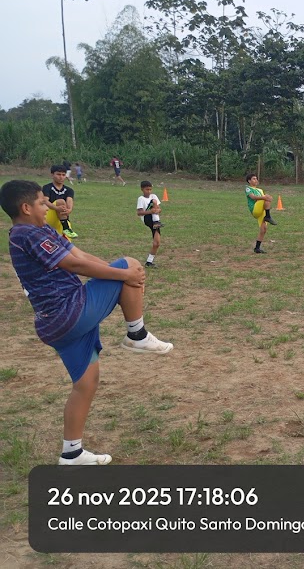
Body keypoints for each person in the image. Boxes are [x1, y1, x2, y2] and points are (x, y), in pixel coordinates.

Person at [0, 180, 174, 466]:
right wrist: (124, 275)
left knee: (86, 384)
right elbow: (75, 265)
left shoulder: (42, 230)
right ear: (26, 208)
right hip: (67, 312)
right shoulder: (26, 234)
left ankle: (71, 453)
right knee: (130, 263)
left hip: (55, 325)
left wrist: (114, 272)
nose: (48, 206)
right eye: (43, 202)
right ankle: (136, 334)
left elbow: (78, 255)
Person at [43, 164, 78, 240]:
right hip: (49, 216)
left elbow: (69, 200)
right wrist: (56, 208)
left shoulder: (69, 190)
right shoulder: (47, 188)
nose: (61, 177)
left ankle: (65, 227)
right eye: (58, 174)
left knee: (67, 244)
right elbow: (45, 201)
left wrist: (69, 210)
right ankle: (66, 228)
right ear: (52, 175)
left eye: (63, 175)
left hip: (62, 218)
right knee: (60, 201)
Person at [244, 173, 277, 254]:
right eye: (254, 179)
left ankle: (257, 248)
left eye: (256, 178)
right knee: (265, 197)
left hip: (261, 211)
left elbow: (265, 201)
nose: (256, 180)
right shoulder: (248, 188)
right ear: (249, 181)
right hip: (255, 209)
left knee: (263, 229)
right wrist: (265, 197)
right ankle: (268, 216)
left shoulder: (260, 190)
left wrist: (268, 198)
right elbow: (253, 197)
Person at [136, 181, 164, 267]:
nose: (149, 191)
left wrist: (157, 210)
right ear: (142, 189)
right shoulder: (141, 199)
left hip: (154, 220)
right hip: (147, 218)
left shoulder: (154, 195)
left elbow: (159, 209)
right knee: (154, 201)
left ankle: (149, 262)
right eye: (147, 189)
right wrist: (150, 211)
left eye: (150, 189)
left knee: (157, 243)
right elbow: (139, 213)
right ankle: (157, 222)